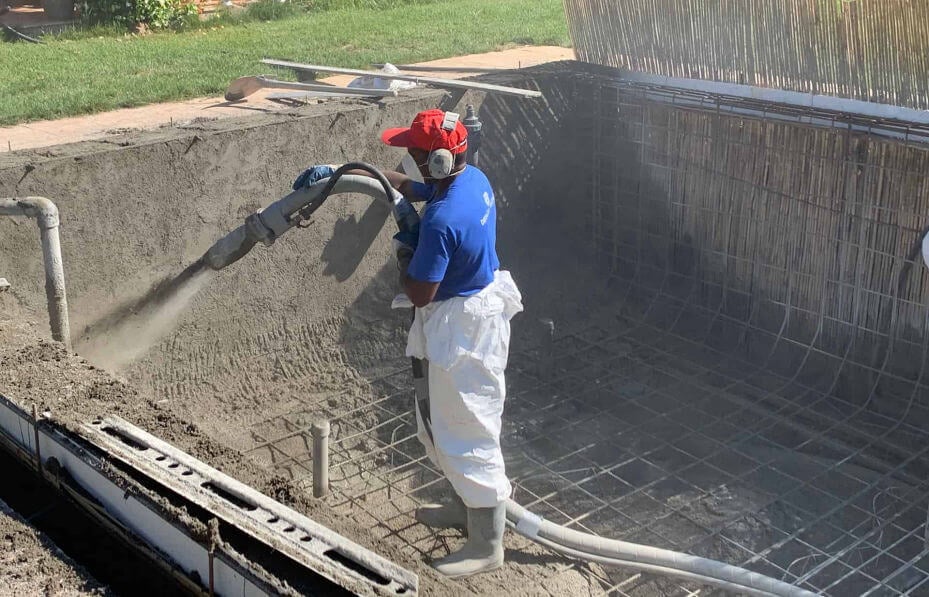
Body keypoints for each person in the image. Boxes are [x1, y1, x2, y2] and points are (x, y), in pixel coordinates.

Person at [294, 109, 523, 578]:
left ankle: (488, 544)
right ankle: (468, 509)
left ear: (435, 157)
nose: (411, 160)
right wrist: (349, 170)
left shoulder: (440, 220)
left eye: (414, 153)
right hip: (469, 312)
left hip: (463, 327)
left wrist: (406, 251)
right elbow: (409, 187)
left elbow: (419, 291)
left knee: (467, 429)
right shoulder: (469, 178)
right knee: (443, 422)